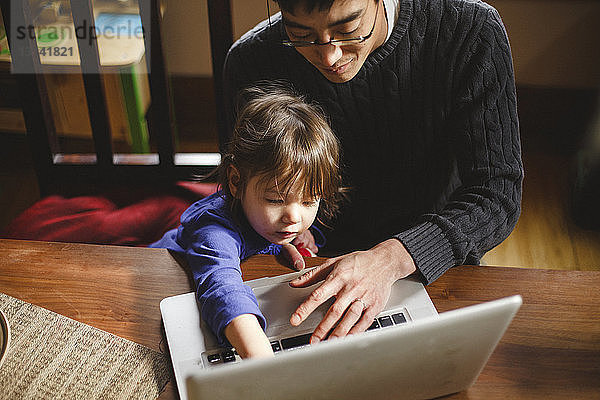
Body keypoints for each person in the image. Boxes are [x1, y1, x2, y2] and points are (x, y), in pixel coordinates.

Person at [222, 0, 523, 344]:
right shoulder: (251, 60)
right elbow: (240, 192)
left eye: (347, 29)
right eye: (301, 35)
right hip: (306, 268)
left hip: (433, 262)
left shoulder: (469, 30)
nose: (329, 57)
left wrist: (391, 258)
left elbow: (497, 195)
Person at [151, 84, 342, 358]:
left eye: (309, 201)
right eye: (276, 200)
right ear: (236, 181)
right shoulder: (214, 232)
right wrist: (263, 362)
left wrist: (301, 238)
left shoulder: (284, 220)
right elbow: (221, 287)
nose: (294, 217)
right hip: (157, 287)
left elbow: (301, 223)